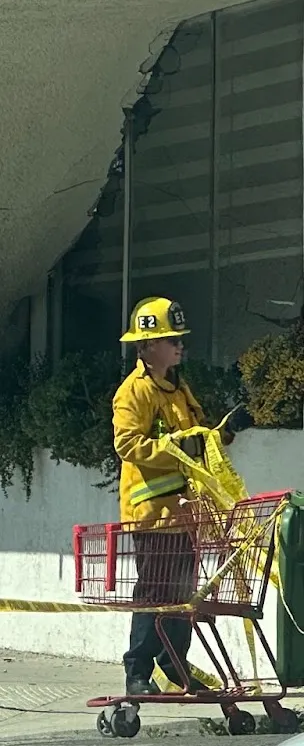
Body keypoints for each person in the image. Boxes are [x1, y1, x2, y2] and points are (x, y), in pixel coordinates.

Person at [113, 296, 250, 696]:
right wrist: (176, 448)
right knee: (155, 593)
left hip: (187, 514)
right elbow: (128, 445)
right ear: (147, 345)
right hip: (153, 515)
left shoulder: (178, 390)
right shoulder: (134, 393)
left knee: (183, 596)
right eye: (171, 339)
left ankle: (174, 665)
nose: (179, 345)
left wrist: (228, 430)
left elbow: (200, 441)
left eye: (179, 339)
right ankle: (137, 671)